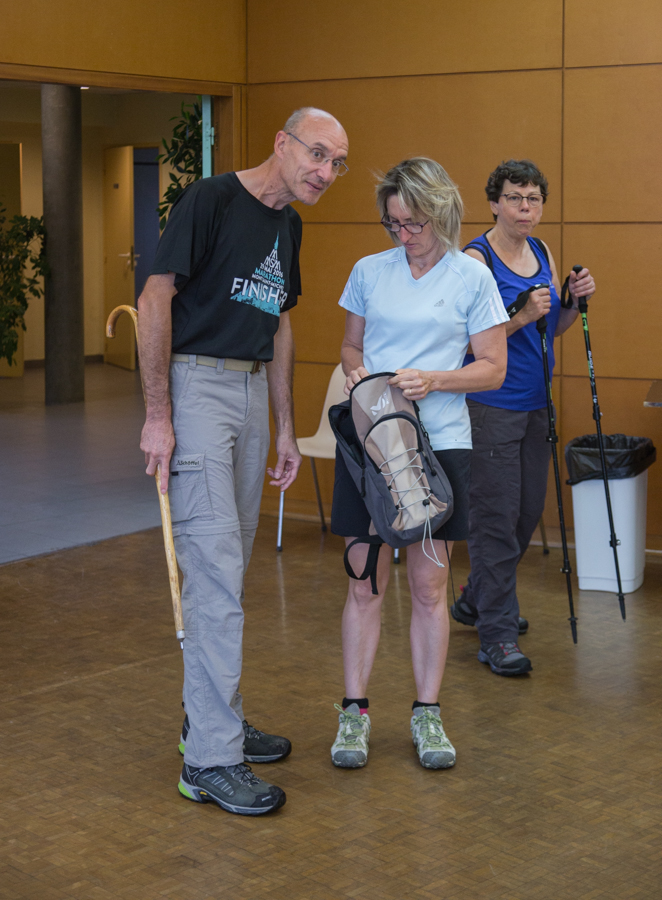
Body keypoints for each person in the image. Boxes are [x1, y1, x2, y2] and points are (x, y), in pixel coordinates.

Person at [137, 107, 349, 815]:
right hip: (198, 387)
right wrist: (159, 415)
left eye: (337, 164)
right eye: (317, 154)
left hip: (253, 392)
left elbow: (279, 323)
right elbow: (154, 299)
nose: (325, 172)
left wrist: (286, 425)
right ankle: (210, 760)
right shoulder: (211, 199)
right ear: (282, 143)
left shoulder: (289, 225)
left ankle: (210, 718)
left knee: (228, 570)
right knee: (214, 573)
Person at [330, 157, 508, 770]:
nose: (403, 235)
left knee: (430, 587)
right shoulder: (368, 271)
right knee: (364, 583)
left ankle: (427, 714)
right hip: (372, 444)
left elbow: (493, 367)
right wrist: (358, 372)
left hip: (441, 446)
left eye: (413, 223)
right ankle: (354, 713)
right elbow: (351, 344)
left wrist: (433, 379)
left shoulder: (471, 277)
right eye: (393, 224)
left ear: (441, 213)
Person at [451, 159, 596, 676]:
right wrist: (522, 315)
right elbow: (469, 343)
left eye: (533, 199)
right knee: (494, 520)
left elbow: (550, 328)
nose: (525, 208)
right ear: (494, 203)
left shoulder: (541, 252)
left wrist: (572, 303)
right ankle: (497, 634)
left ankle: (477, 597)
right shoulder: (476, 259)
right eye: (514, 197)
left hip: (537, 404)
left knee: (526, 513)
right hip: (491, 405)